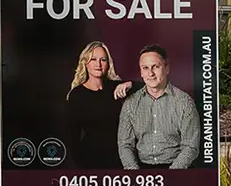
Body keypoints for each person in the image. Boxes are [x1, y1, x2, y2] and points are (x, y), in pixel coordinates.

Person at [117, 44, 199, 170]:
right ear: (141, 72)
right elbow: (125, 145)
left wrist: (171, 175)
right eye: (145, 68)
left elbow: (190, 146)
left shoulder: (184, 102)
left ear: (166, 68)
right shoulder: (131, 103)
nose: (150, 73)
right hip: (141, 170)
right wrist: (134, 174)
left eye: (155, 67)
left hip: (177, 169)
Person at [64, 41, 133, 169]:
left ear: (108, 64)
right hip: (91, 161)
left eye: (103, 60)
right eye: (93, 59)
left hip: (121, 159)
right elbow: (72, 138)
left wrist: (130, 84)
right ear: (86, 63)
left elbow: (151, 88)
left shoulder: (116, 88)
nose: (98, 64)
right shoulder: (77, 95)